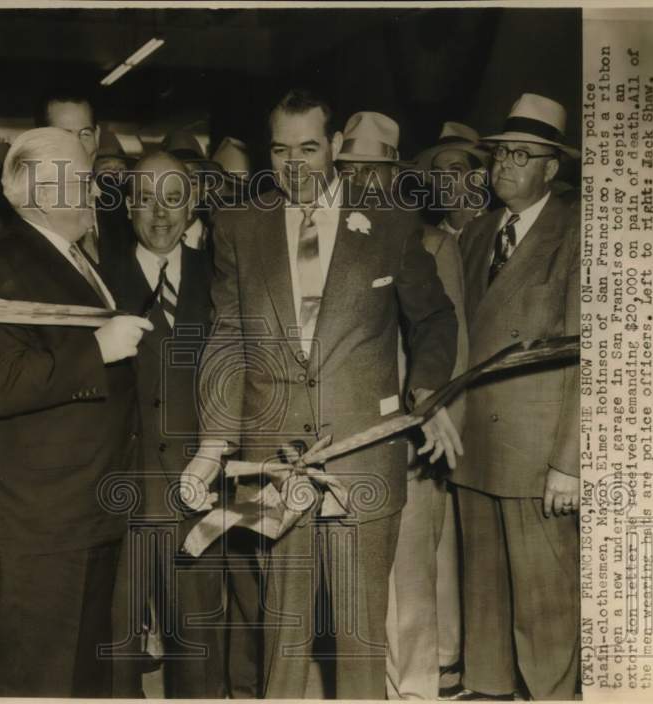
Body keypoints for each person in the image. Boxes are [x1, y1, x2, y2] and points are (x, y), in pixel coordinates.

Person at [183, 89, 461, 699]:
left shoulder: (387, 220)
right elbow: (228, 338)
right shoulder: (238, 225)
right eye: (281, 151)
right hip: (271, 460)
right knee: (282, 638)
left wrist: (426, 391)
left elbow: (435, 319)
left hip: (364, 454)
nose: (295, 166)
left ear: (334, 146)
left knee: (361, 642)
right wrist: (212, 444)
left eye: (310, 148)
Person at [0, 127, 153, 698]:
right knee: (33, 678)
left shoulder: (64, 255)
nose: (96, 191)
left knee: (75, 677)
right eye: (85, 179)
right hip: (38, 525)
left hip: (76, 512)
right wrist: (96, 349)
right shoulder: (6, 264)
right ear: (44, 191)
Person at [450, 93, 581, 701]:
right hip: (474, 450)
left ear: (551, 169)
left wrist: (568, 463)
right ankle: (487, 693)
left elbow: (593, 361)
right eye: (501, 153)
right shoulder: (476, 234)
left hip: (537, 462)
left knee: (545, 609)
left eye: (522, 156)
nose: (504, 166)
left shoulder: (577, 231)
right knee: (484, 608)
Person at [336, 110, 469, 701]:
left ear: (395, 171)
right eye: (350, 166)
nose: (361, 177)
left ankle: (415, 690)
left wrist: (432, 414)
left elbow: (447, 340)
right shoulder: (321, 234)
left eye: (373, 166)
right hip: (344, 435)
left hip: (409, 432)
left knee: (411, 579)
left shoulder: (429, 242)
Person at [103, 151, 232, 697]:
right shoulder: (98, 275)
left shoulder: (220, 277)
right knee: (114, 648)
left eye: (175, 199)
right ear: (128, 205)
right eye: (147, 199)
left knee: (198, 643)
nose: (161, 213)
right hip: (119, 489)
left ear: (195, 203)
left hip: (197, 488)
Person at [36, 89, 133, 262]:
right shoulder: (30, 209)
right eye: (64, 135)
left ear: (97, 136)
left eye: (85, 134)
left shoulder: (124, 202)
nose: (77, 147)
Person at [412, 121, 490, 246]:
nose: (444, 181)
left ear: (478, 177)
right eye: (437, 173)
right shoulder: (426, 241)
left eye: (455, 170)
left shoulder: (497, 233)